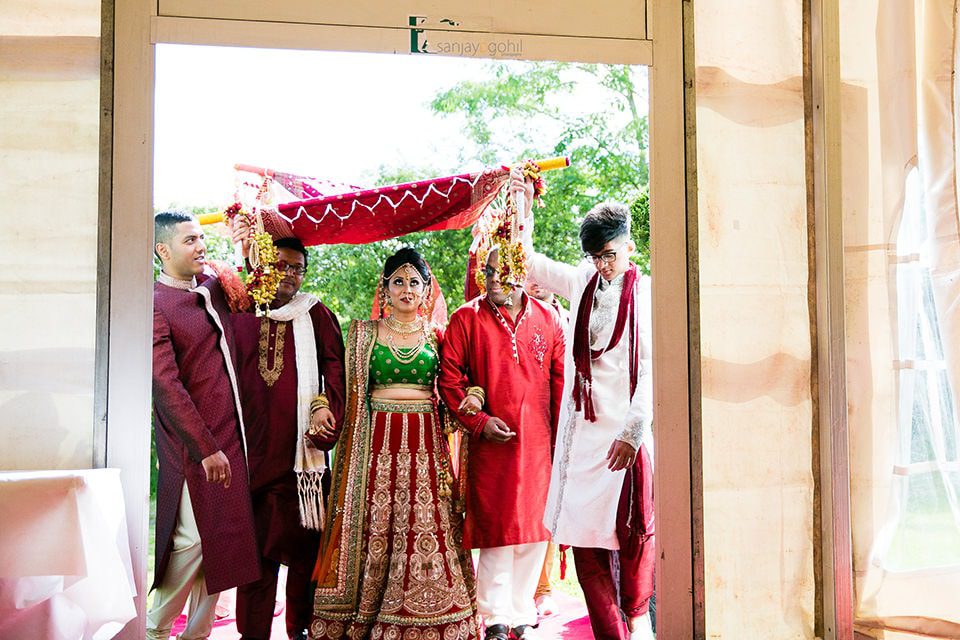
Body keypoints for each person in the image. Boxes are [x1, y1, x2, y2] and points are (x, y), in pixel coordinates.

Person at [309, 248, 481, 640]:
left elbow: (456, 385)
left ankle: (436, 614)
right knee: (378, 527)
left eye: (414, 283)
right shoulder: (362, 334)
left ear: (426, 291)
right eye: (398, 282)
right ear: (384, 289)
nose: (406, 289)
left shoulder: (439, 336)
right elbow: (342, 389)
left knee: (426, 524)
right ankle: (366, 609)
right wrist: (321, 406)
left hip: (425, 447)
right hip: (375, 448)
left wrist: (474, 397)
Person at [518, 176, 656, 640]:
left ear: (629, 246)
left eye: (610, 255)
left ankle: (638, 624)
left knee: (632, 541)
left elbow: (654, 365)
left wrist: (634, 430)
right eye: (596, 257)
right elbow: (530, 262)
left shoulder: (648, 293)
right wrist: (522, 198)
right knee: (583, 542)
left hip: (622, 440)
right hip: (579, 442)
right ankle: (610, 635)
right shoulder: (582, 282)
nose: (604, 265)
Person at [438, 249, 565, 640]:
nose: (493, 279)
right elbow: (450, 380)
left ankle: (522, 613)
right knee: (497, 529)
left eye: (502, 272)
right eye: (488, 272)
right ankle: (494, 617)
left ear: (521, 273)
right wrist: (478, 422)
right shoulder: (465, 319)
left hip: (540, 445)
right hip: (491, 444)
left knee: (532, 529)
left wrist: (563, 445)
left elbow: (561, 383)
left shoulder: (549, 319)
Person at [149, 211, 260, 640]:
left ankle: (197, 635)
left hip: (233, 440)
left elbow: (256, 293)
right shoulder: (156, 303)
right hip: (194, 448)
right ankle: (156, 629)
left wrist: (247, 250)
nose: (201, 246)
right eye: (190, 240)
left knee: (225, 547)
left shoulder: (214, 289)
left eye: (201, 238)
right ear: (163, 250)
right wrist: (204, 447)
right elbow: (165, 384)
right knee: (191, 543)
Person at [232, 236, 347, 640]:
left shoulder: (315, 314)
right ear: (263, 265)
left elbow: (336, 371)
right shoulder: (240, 311)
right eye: (281, 265)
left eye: (297, 268)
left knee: (305, 556)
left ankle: (301, 630)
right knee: (256, 562)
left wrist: (326, 413)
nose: (289, 275)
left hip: (302, 463)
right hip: (251, 457)